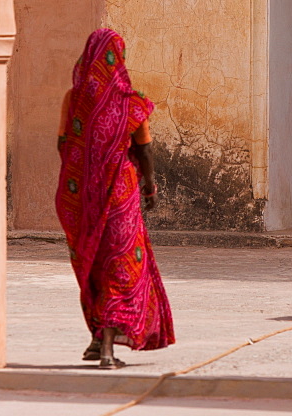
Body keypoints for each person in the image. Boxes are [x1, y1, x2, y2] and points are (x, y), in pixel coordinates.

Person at [55, 27, 175, 368]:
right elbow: (146, 151)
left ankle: (96, 339)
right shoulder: (130, 102)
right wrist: (149, 185)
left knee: (92, 261)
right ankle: (108, 350)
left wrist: (84, 176)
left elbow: (63, 145)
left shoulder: (73, 98)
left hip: (80, 196)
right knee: (120, 263)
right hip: (120, 192)